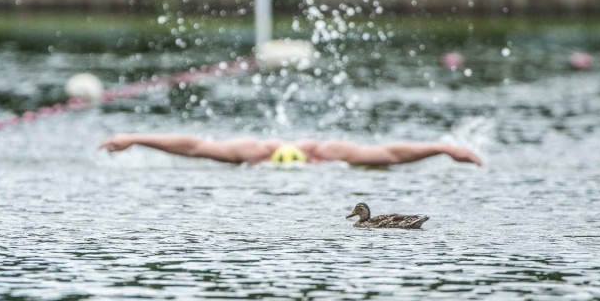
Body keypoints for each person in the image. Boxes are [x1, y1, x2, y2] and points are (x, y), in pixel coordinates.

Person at [98, 133, 483, 167]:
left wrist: (442, 148)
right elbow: (196, 147)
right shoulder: (252, 152)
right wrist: (136, 138)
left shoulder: (327, 152)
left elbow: (389, 155)